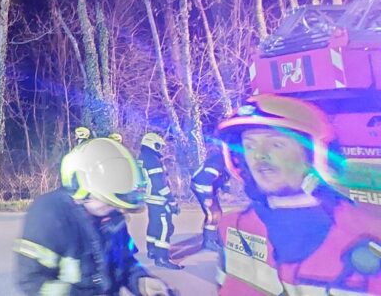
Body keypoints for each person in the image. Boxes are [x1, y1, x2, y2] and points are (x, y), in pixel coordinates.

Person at [215, 94, 381, 295]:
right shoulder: (233, 227)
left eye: (276, 144)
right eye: (249, 146)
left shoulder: (368, 235)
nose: (259, 155)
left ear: (314, 155)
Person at [14, 137, 174, 296]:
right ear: (80, 189)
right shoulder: (49, 213)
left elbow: (124, 263)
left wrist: (140, 281)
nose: (120, 210)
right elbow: (31, 281)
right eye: (109, 201)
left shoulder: (112, 216)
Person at [138, 132, 183, 269]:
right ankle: (162, 258)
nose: (160, 148)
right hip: (158, 197)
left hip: (150, 197)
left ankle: (152, 250)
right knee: (164, 226)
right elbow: (159, 183)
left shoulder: (143, 157)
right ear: (151, 143)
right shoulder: (153, 160)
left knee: (154, 224)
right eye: (158, 145)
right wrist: (171, 199)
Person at [190, 140, 230, 251]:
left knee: (217, 213)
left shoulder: (227, 161)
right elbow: (205, 179)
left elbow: (226, 177)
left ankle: (213, 238)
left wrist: (226, 191)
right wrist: (208, 197)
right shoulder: (217, 161)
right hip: (201, 187)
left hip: (209, 187)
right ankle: (209, 242)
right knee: (213, 213)